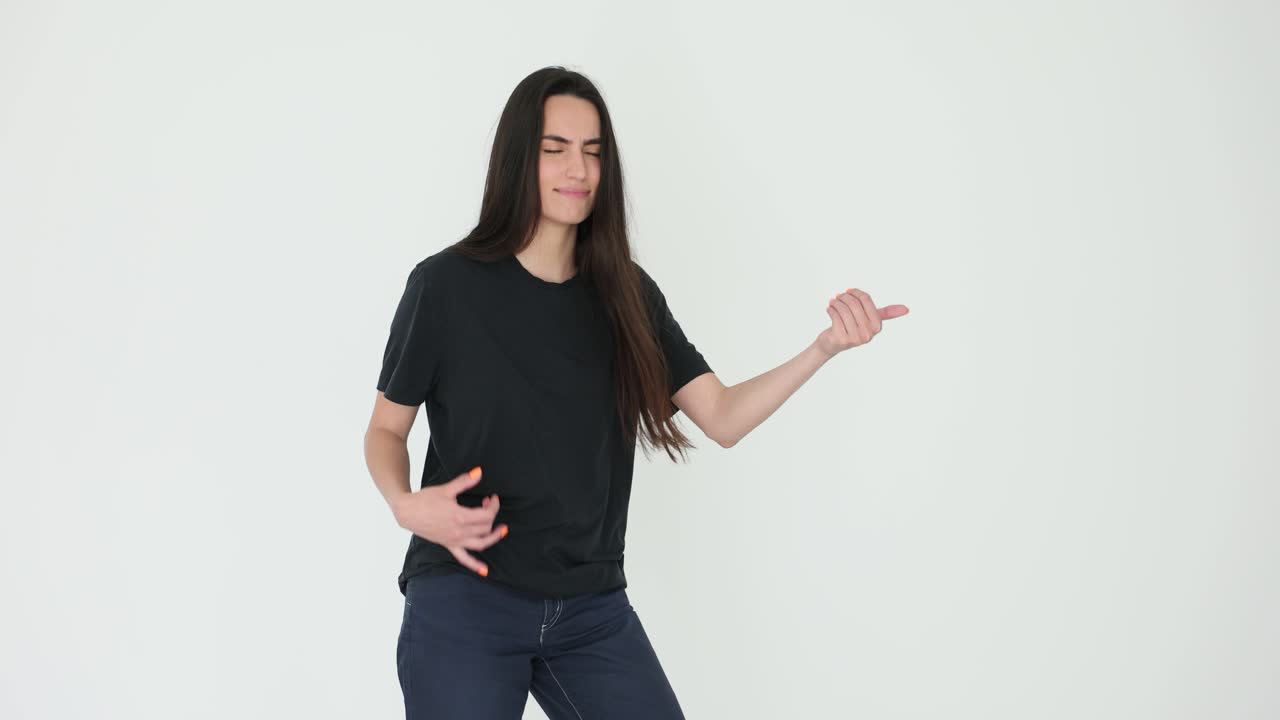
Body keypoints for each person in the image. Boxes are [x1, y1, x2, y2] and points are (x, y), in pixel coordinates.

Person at [362, 66, 909, 720]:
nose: (579, 168)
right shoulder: (444, 287)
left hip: (590, 611)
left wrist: (824, 348)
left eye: (594, 151)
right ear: (517, 158)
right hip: (467, 601)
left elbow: (723, 417)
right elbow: (385, 431)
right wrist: (405, 505)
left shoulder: (628, 295)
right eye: (555, 149)